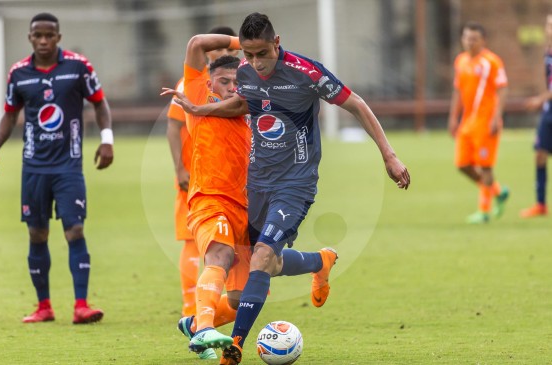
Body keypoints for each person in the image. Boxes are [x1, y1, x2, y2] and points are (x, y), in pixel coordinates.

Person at [166, 12, 410, 365]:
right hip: (257, 184)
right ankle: (319, 261)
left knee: (261, 258)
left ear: (277, 43)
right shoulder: (246, 74)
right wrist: (199, 109)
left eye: (261, 53)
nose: (254, 64)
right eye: (248, 55)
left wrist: (389, 155)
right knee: (255, 274)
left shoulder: (307, 72)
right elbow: (241, 104)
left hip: (295, 182)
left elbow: (355, 103)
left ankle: (233, 348)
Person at [0, 13, 113, 324]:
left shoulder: (78, 66)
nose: (43, 41)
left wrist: (106, 140)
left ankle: (81, 304)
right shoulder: (18, 73)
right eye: (37, 35)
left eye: (49, 35)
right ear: (30, 38)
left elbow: (99, 102)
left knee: (75, 229)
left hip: (68, 165)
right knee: (37, 233)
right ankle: (44, 307)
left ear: (58, 36)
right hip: (34, 167)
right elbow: (8, 114)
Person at [166, 26, 240, 321]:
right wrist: (179, 168)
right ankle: (191, 307)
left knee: (244, 257)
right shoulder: (191, 83)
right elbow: (173, 127)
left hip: (236, 186)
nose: (224, 55)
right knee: (191, 240)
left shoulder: (244, 83)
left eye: (229, 52)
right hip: (200, 177)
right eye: (219, 50)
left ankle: (204, 314)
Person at [447, 21, 509, 224]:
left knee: (485, 167)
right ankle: (498, 192)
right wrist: (452, 118)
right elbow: (457, 91)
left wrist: (496, 117)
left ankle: (484, 211)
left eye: (474, 39)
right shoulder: (461, 61)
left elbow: (502, 88)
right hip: (467, 122)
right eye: (466, 38)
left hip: (485, 122)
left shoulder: (491, 62)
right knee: (463, 164)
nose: (469, 42)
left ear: (483, 40)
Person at [520, 14, 552, 218]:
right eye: (548, 24)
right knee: (540, 155)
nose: (550, 27)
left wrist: (540, 98)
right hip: (549, 111)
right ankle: (540, 204)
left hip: (546, 103)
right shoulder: (547, 51)